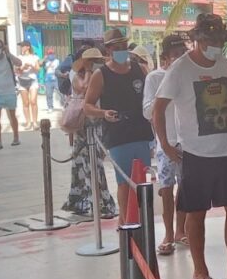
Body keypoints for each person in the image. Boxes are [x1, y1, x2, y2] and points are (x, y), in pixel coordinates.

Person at [152, 13, 227, 279]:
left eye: (220, 41)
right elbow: (159, 107)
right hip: (195, 153)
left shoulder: (224, 65)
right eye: (211, 41)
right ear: (198, 41)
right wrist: (165, 144)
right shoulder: (180, 69)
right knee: (196, 212)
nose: (217, 46)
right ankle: (200, 270)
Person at [84, 29, 154, 225]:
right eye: (117, 48)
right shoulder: (101, 74)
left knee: (142, 181)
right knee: (124, 182)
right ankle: (126, 222)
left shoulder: (140, 69)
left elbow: (151, 97)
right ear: (108, 50)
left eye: (124, 47)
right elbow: (87, 105)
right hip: (117, 135)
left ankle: (142, 219)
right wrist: (103, 113)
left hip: (141, 132)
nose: (122, 51)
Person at [142, 35, 190, 255]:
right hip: (166, 143)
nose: (181, 58)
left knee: (186, 188)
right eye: (176, 55)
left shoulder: (190, 75)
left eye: (183, 53)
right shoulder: (154, 78)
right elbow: (147, 112)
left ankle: (181, 230)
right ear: (165, 58)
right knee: (166, 189)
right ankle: (168, 234)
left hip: (188, 142)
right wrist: (166, 91)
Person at [61, 47, 116, 218]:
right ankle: (81, 200)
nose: (94, 64)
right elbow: (83, 88)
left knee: (95, 163)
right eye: (91, 61)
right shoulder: (77, 75)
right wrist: (88, 73)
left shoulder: (103, 75)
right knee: (81, 163)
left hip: (97, 122)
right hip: (83, 124)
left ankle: (102, 201)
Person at [17, 42, 41, 130]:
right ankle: (28, 122)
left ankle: (34, 122)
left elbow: (38, 69)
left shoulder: (34, 57)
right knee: (25, 103)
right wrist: (23, 67)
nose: (21, 48)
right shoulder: (19, 58)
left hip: (33, 80)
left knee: (33, 101)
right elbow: (17, 71)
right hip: (22, 80)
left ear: (27, 47)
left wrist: (31, 66)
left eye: (23, 46)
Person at [42, 47, 62, 111]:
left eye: (52, 53)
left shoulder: (57, 61)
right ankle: (50, 106)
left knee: (60, 92)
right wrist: (44, 58)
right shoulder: (46, 61)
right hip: (48, 79)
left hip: (55, 78)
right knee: (48, 93)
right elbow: (40, 65)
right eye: (49, 54)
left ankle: (64, 104)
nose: (51, 55)